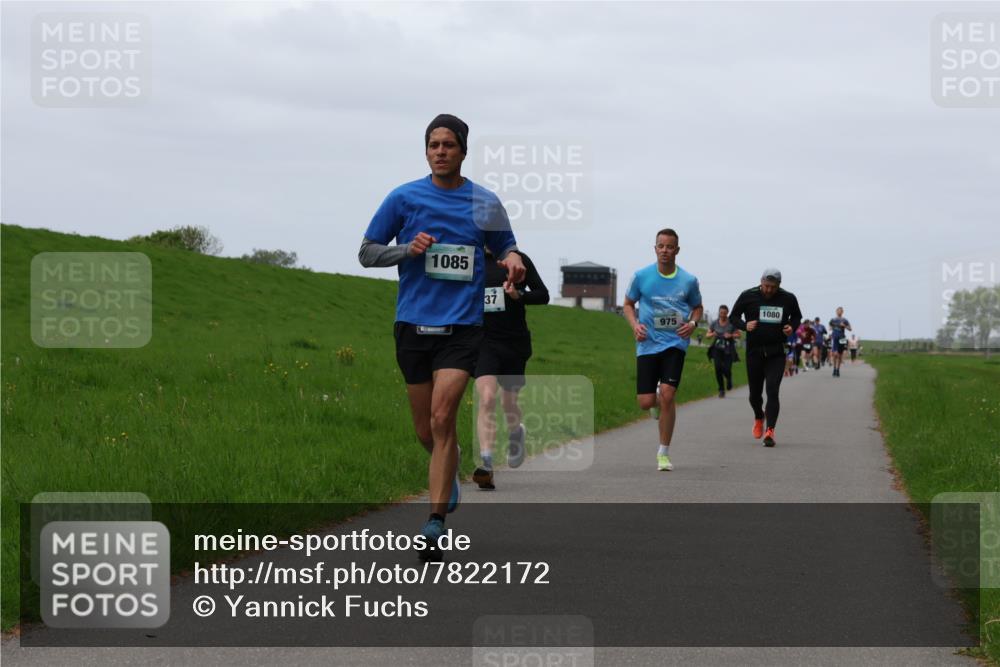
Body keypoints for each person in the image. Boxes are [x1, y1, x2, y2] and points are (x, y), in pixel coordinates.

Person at [358, 114, 526, 557]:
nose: (440, 151)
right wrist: (405, 249)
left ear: (463, 151)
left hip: (462, 326)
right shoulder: (404, 197)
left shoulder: (484, 202)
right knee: (423, 431)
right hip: (413, 323)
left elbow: (506, 243)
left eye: (448, 144)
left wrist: (511, 259)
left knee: (441, 418)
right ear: (426, 150)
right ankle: (445, 471)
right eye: (433, 144)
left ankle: (435, 522)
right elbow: (366, 252)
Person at [623, 228, 703, 471]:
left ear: (677, 250)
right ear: (655, 248)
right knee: (646, 402)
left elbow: (697, 307)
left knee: (668, 393)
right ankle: (656, 403)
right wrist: (635, 325)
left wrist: (692, 323)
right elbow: (628, 304)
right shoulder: (642, 276)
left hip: (675, 344)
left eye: (670, 247)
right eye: (661, 246)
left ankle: (663, 453)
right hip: (647, 344)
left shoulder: (688, 280)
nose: (665, 251)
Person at [472, 249, 549, 490]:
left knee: (508, 403)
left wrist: (518, 295)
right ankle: (486, 464)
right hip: (483, 341)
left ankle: (516, 432)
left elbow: (543, 295)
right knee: (486, 398)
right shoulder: (470, 257)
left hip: (514, 343)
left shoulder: (516, 259)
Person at [729, 268, 802, 448]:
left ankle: (770, 431)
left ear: (779, 285)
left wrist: (791, 327)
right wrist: (745, 325)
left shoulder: (788, 298)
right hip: (754, 351)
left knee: (772, 390)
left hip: (776, 352)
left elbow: (797, 316)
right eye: (766, 286)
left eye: (773, 287)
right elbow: (733, 317)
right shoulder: (748, 295)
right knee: (754, 395)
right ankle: (758, 416)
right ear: (761, 281)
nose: (769, 290)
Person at [705, 304, 740, 397]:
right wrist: (713, 334)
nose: (722, 315)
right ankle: (721, 389)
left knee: (727, 369)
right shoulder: (714, 323)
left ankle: (729, 379)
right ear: (719, 313)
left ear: (727, 313)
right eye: (721, 313)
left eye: (724, 313)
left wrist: (731, 335)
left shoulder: (731, 323)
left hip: (728, 349)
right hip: (717, 349)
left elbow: (738, 334)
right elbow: (707, 335)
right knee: (717, 368)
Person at [828, 307, 853, 376]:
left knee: (839, 355)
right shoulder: (833, 319)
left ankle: (838, 370)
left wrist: (844, 326)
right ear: (836, 312)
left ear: (842, 312)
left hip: (842, 338)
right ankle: (834, 369)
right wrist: (831, 327)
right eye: (838, 311)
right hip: (834, 337)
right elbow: (829, 327)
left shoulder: (845, 320)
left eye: (840, 311)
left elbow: (850, 329)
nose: (839, 312)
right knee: (835, 354)